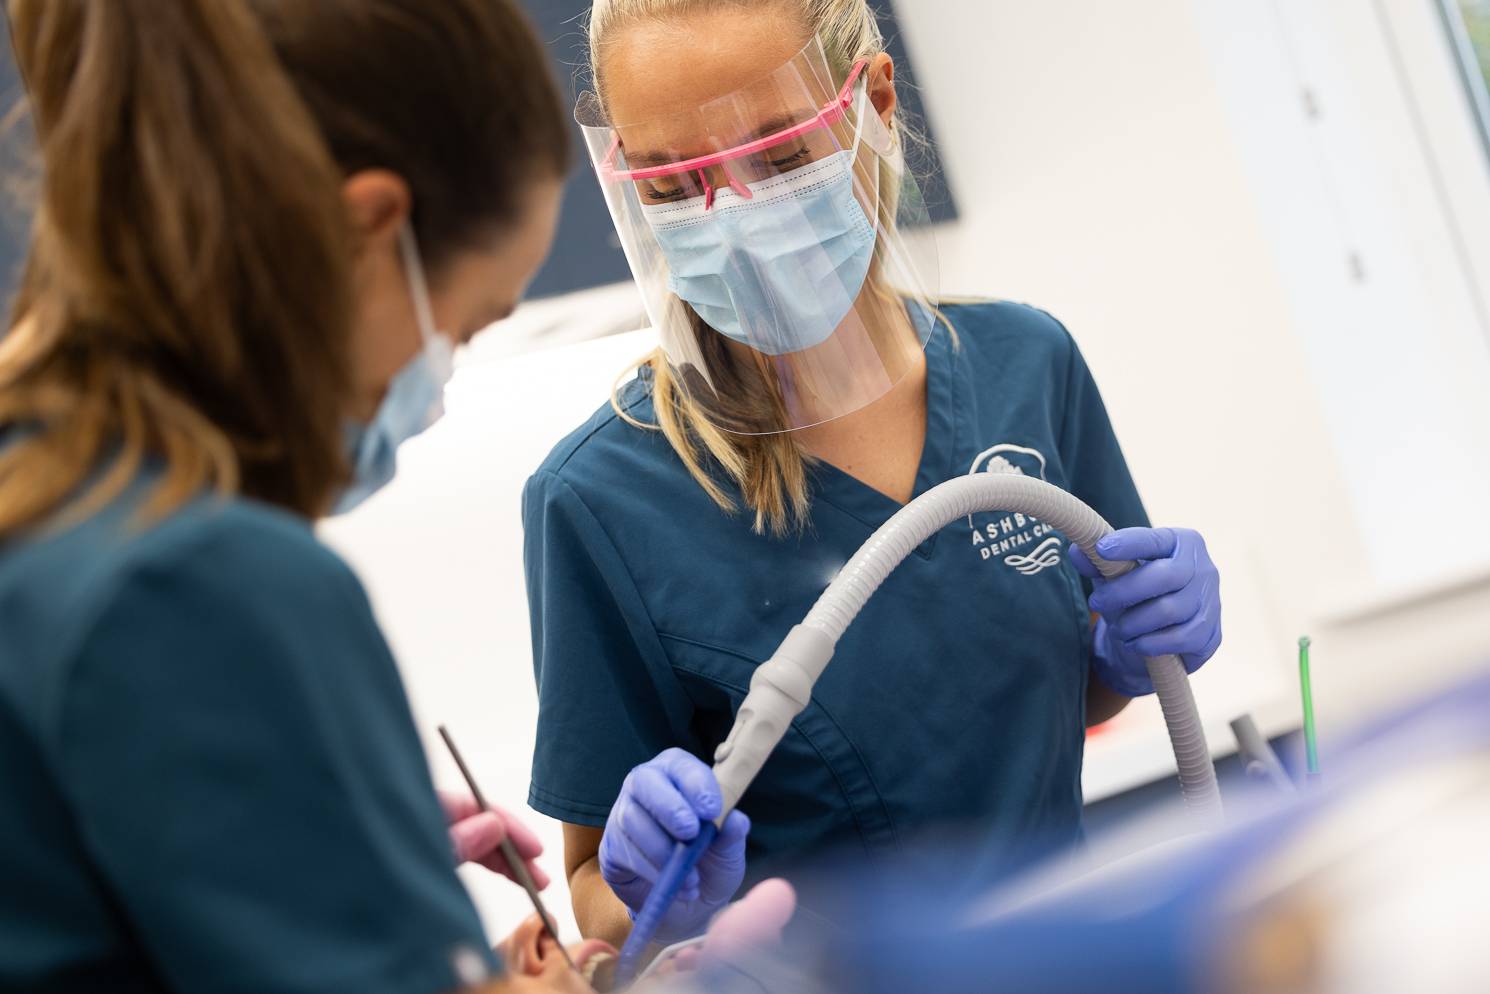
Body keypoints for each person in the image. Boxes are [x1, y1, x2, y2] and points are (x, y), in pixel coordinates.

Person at [521, 0, 1226, 948]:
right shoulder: (600, 500)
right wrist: (652, 890)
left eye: (776, 158)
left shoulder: (1026, 364)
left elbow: (1069, 687)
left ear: (874, 105)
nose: (732, 221)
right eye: (674, 188)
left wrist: (1125, 658)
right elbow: (597, 896)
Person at [0, 1, 589, 991]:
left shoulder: (41, 493)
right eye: (467, 327)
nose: (439, 386)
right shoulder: (201, 581)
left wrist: (342, 873)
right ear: (368, 231)